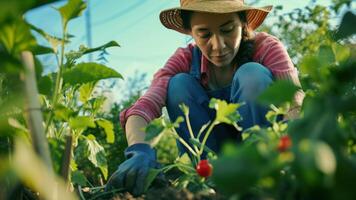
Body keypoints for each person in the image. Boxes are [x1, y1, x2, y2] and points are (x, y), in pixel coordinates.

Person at [105, 0, 304, 196]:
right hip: (208, 168)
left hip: (262, 160)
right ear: (190, 32)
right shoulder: (183, 59)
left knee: (252, 74)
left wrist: (292, 151)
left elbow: (295, 105)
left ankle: (263, 178)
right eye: (204, 34)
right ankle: (207, 187)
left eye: (227, 30)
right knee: (178, 85)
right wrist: (140, 151)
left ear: (243, 24)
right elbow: (142, 110)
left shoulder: (266, 48)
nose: (218, 46)